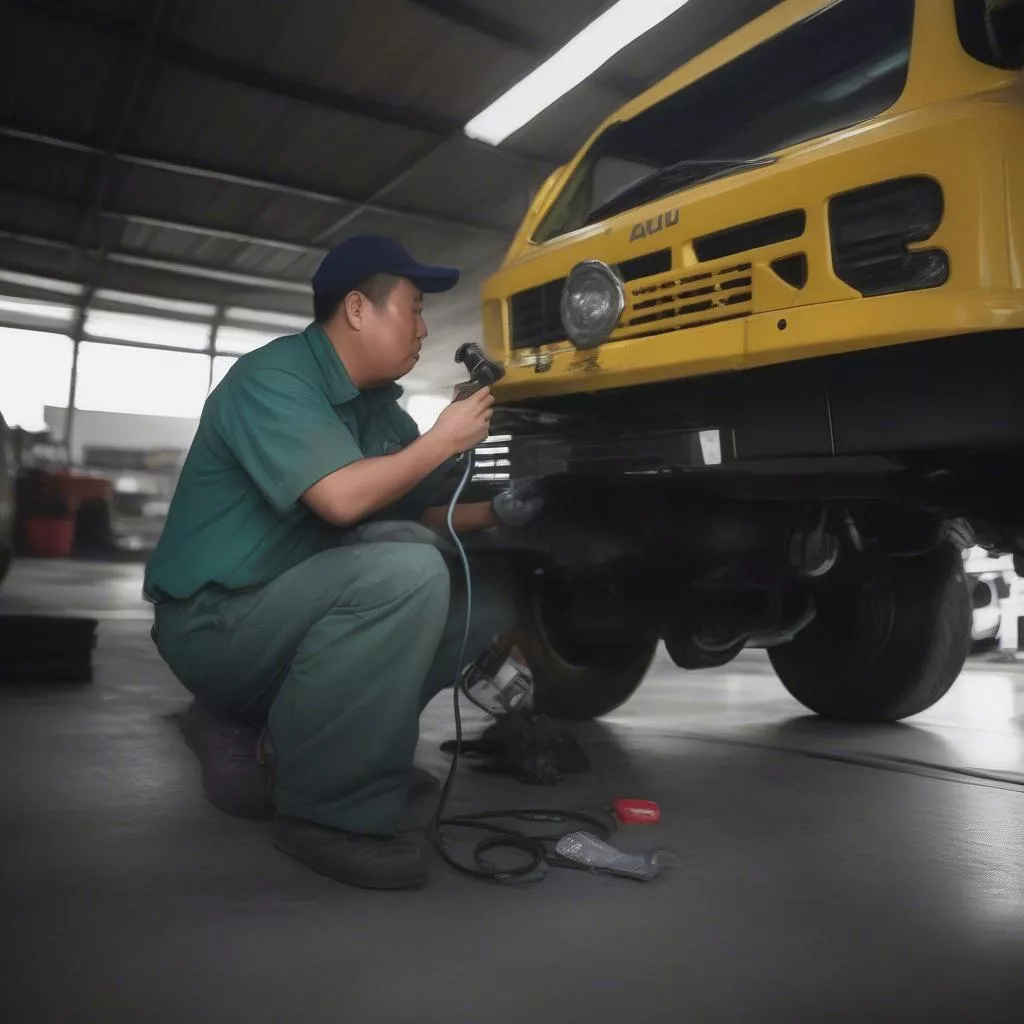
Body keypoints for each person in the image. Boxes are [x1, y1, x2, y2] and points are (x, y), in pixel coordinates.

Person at [144, 235, 542, 890]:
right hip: (215, 624)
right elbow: (342, 499)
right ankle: (326, 815)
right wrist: (443, 439)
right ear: (358, 309)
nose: (423, 328)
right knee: (406, 572)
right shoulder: (274, 379)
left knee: (483, 594)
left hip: (292, 611)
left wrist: (503, 509)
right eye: (414, 309)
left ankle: (334, 755)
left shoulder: (380, 412)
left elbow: (421, 512)